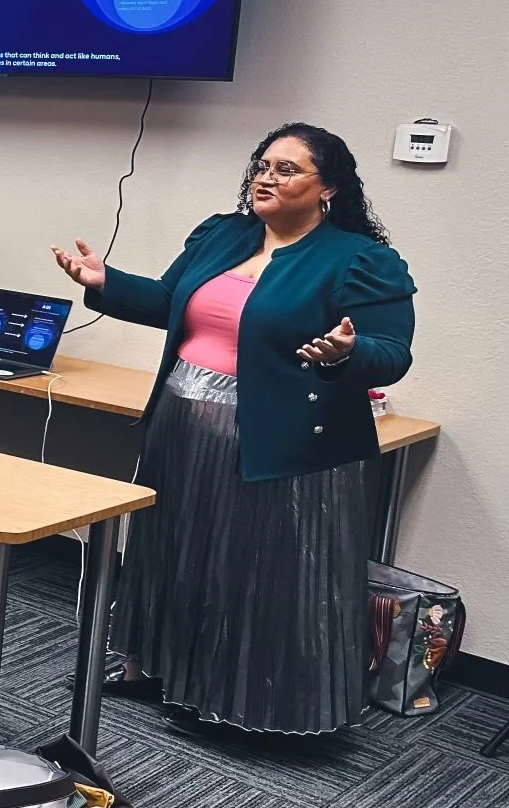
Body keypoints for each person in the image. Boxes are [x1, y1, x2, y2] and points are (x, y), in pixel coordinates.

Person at [52, 122, 416, 735]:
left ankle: (232, 697)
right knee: (169, 547)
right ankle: (151, 666)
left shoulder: (359, 259)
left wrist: (345, 356)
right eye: (262, 165)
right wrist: (105, 282)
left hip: (278, 435)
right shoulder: (224, 234)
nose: (266, 177)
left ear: (328, 187)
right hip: (183, 419)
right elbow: (172, 300)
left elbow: (392, 351)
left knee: (247, 566)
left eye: (286, 169)